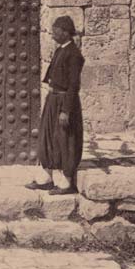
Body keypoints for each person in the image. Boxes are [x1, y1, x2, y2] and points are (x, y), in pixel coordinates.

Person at [28, 16, 84, 194]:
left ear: (66, 32)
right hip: (53, 100)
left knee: (64, 140)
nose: (53, 33)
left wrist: (66, 111)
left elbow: (73, 86)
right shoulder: (61, 50)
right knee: (47, 137)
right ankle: (46, 178)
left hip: (63, 102)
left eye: (56, 30)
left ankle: (66, 183)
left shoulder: (74, 54)